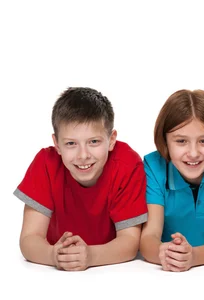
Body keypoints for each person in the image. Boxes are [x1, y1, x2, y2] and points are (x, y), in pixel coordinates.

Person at [14, 87, 148, 271]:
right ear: (57, 144)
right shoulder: (45, 163)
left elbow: (130, 242)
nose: (83, 155)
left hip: (111, 271)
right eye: (71, 143)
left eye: (94, 142)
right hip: (53, 270)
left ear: (111, 140)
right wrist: (53, 255)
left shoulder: (128, 164)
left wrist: (90, 256)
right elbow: (29, 238)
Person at [140, 89, 204, 272]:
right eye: (181, 141)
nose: (194, 153)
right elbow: (149, 237)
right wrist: (163, 253)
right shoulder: (153, 166)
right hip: (167, 270)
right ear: (164, 141)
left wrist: (193, 256)